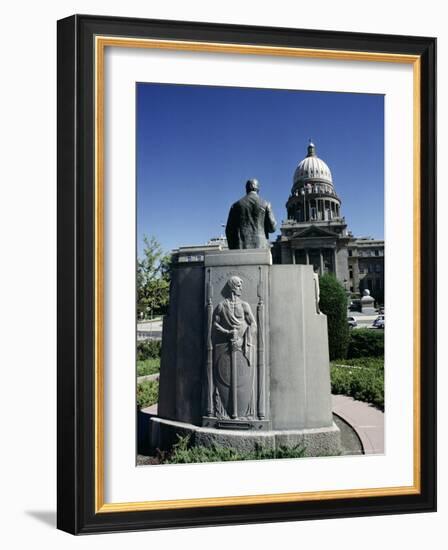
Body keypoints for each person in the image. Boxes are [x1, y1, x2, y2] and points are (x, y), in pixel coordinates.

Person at [225, 179, 277, 249]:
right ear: (258, 189)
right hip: (261, 247)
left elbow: (229, 230)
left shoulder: (235, 206)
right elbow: (272, 228)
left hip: (241, 247)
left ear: (246, 189)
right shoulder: (266, 204)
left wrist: (233, 248)